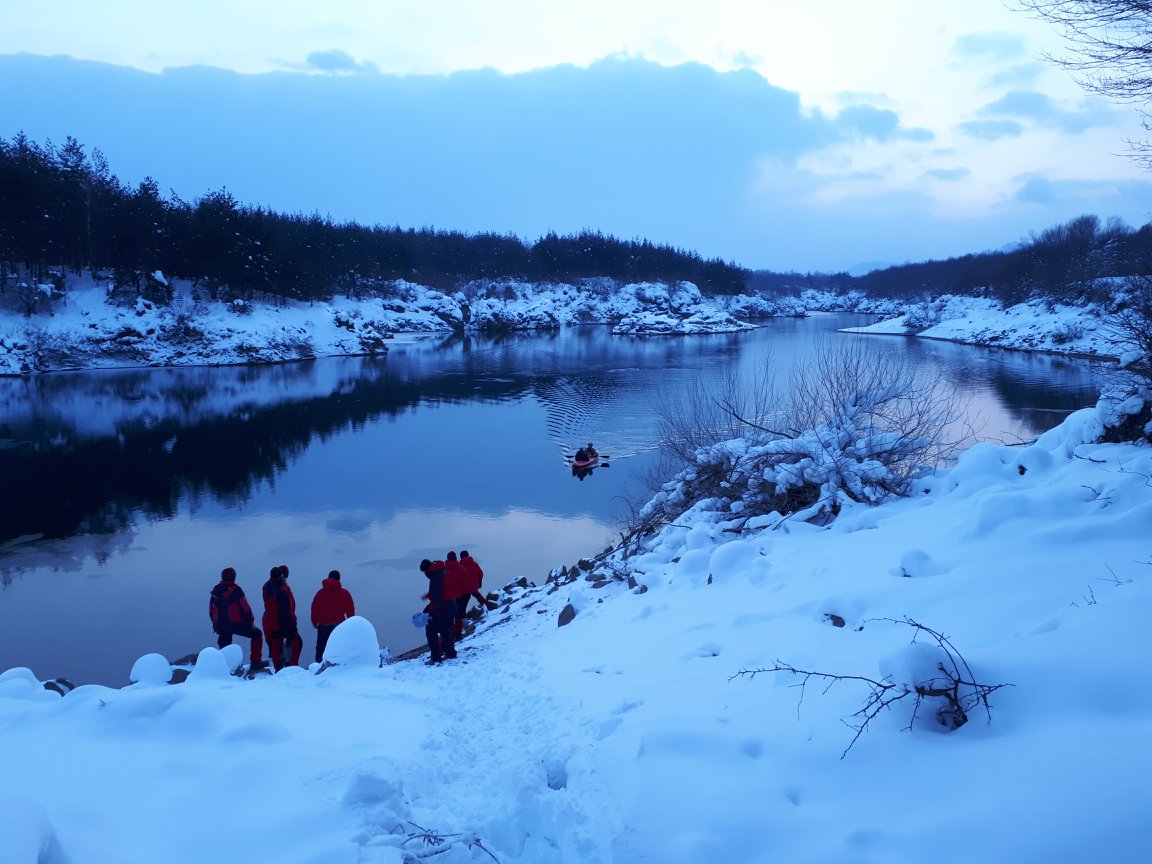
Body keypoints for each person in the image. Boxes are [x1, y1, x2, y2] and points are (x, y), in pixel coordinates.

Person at [209, 567, 267, 672]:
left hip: (221, 625)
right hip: (236, 624)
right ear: (234, 577)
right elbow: (246, 609)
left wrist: (215, 624)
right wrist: (251, 622)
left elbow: (211, 610)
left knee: (224, 640)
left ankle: (224, 667)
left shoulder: (216, 590)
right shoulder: (236, 591)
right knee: (257, 635)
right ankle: (255, 662)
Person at [262, 564, 302, 671]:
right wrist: (291, 623)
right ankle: (293, 667)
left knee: (276, 646)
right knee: (297, 642)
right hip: (283, 622)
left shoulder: (266, 587)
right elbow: (285, 610)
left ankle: (278, 669)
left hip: (271, 622)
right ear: (281, 576)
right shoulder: (282, 590)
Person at [310, 569, 356, 664]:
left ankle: (319, 664)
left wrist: (314, 622)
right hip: (339, 624)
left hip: (323, 624)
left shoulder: (320, 593)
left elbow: (314, 608)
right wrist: (351, 623)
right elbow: (350, 610)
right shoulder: (344, 593)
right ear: (339, 579)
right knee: (339, 645)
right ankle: (339, 664)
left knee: (321, 646)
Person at [420, 558, 457, 664]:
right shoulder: (443, 571)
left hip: (443, 607)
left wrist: (431, 614)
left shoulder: (435, 577)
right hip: (451, 605)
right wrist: (428, 595)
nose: (424, 574)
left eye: (424, 572)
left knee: (430, 631)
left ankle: (435, 658)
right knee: (445, 630)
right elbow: (441, 590)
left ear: (427, 570)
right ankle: (451, 653)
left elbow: (436, 599)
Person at [444, 551, 468, 640]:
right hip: (459, 596)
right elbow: (465, 583)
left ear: (447, 559)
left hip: (448, 598)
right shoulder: (461, 568)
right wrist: (465, 593)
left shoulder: (443, 571)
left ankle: (451, 634)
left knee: (450, 617)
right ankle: (458, 634)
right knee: (458, 616)